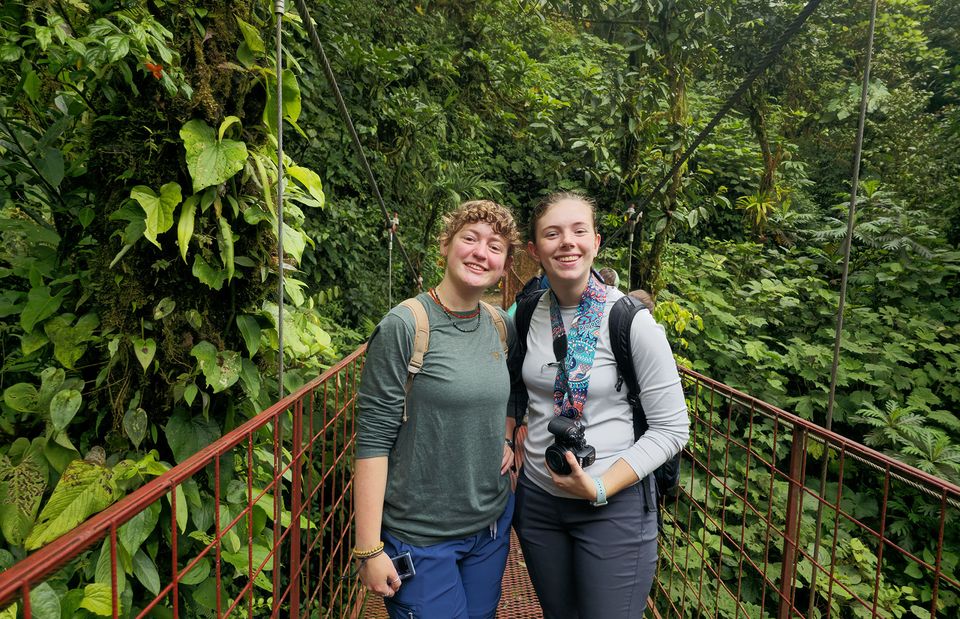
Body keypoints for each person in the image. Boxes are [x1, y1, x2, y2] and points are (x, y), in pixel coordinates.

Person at [509, 191, 689, 619]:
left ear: (596, 241)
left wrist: (601, 486)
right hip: (538, 501)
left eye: (578, 231)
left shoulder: (631, 321)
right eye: (552, 234)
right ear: (535, 250)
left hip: (613, 506)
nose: (567, 242)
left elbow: (672, 429)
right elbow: (515, 386)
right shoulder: (526, 312)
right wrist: (505, 436)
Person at [353, 199, 520, 619]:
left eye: (495, 246)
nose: (482, 252)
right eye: (470, 238)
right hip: (420, 537)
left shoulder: (501, 325)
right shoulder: (405, 325)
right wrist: (369, 548)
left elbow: (513, 390)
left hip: (491, 526)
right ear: (445, 245)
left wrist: (506, 434)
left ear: (505, 265)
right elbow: (372, 438)